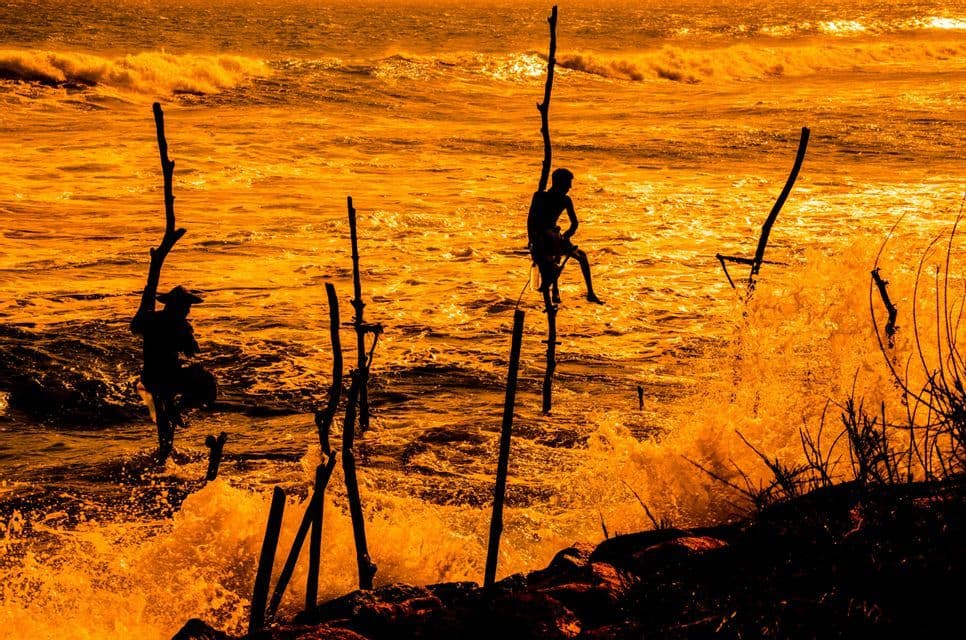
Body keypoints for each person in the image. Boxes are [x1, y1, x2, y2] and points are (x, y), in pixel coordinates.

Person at [131, 284, 216, 461]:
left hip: (151, 377)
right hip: (167, 377)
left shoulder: (152, 320)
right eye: (186, 307)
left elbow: (136, 327)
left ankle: (165, 451)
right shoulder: (180, 326)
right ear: (177, 307)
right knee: (208, 384)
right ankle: (177, 413)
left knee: (163, 417)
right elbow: (191, 351)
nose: (188, 311)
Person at [527, 168, 603, 305]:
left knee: (559, 255)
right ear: (559, 183)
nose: (570, 187)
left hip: (543, 239)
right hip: (545, 239)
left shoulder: (539, 196)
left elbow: (530, 221)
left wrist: (532, 240)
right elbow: (574, 224)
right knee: (578, 256)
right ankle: (588, 292)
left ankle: (556, 289)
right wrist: (566, 236)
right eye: (568, 183)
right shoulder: (562, 199)